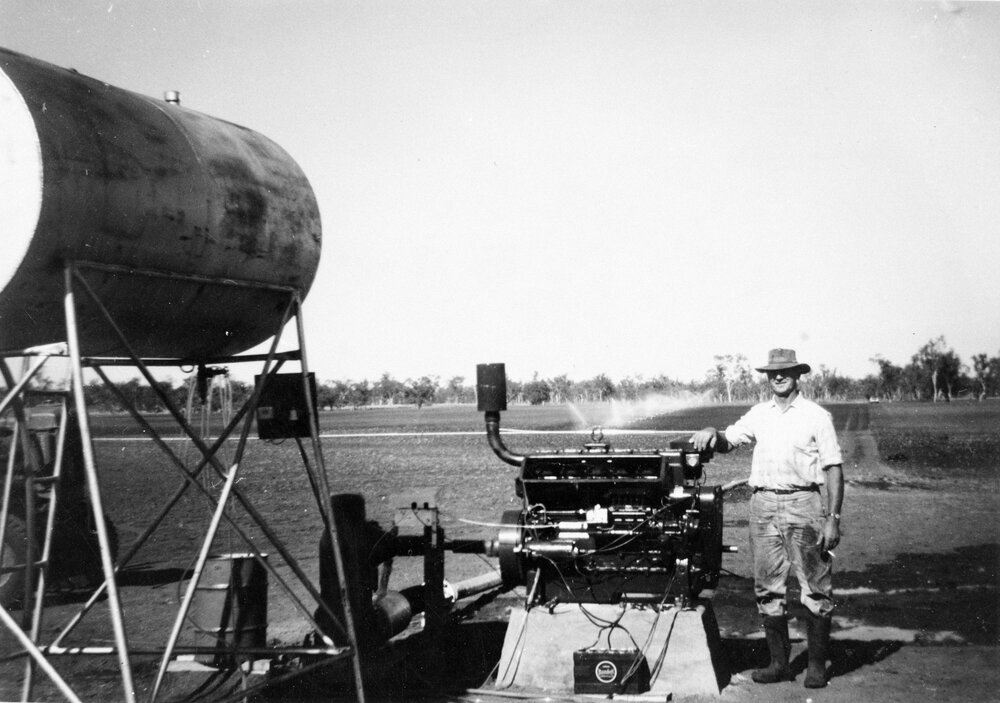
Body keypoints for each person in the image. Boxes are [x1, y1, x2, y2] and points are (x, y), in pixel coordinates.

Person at [691, 348, 843, 689]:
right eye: (772, 372)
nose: (778, 377)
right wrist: (711, 432)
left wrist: (832, 517)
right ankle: (779, 664)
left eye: (785, 371)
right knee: (767, 587)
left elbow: (833, 468)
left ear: (797, 374)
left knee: (815, 587)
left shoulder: (816, 416)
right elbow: (729, 440)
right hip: (762, 507)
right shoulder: (760, 414)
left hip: (804, 504)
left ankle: (817, 666)